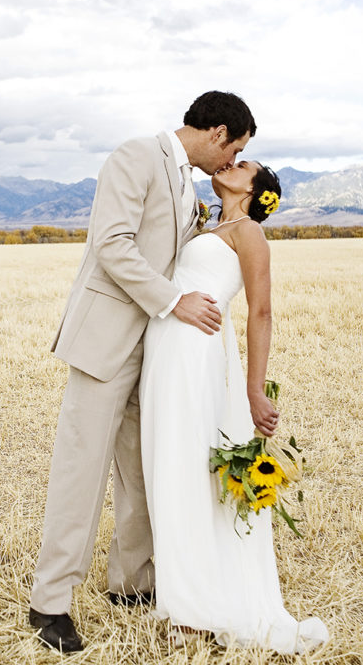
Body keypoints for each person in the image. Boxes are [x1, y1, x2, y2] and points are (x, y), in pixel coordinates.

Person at [29, 91, 257, 652]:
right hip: (107, 341)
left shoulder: (189, 184)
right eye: (235, 151)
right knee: (80, 474)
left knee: (143, 468)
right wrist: (174, 300)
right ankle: (49, 604)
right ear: (218, 132)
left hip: (156, 351)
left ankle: (130, 583)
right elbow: (112, 246)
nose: (230, 164)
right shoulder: (135, 157)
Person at [139, 161, 329, 652]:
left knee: (186, 467)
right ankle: (186, 593)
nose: (231, 163)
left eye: (243, 164)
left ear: (254, 189)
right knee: (167, 465)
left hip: (198, 353)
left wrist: (254, 389)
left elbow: (260, 311)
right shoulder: (209, 223)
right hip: (165, 349)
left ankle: (196, 612)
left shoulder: (248, 233)